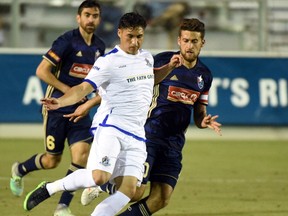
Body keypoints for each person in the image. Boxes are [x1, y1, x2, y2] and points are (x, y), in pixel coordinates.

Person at [23, 12, 182, 216]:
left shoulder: (146, 57)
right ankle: (50, 188)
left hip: (137, 134)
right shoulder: (108, 62)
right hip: (112, 127)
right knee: (99, 177)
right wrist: (60, 101)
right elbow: (83, 88)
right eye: (130, 36)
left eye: (139, 36)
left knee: (130, 190)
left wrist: (169, 67)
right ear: (120, 33)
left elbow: (150, 78)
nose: (135, 42)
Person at [81, 18, 222, 215]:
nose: (190, 46)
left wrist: (204, 121)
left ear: (202, 43)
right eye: (186, 40)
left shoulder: (204, 75)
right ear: (179, 41)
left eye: (195, 41)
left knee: (162, 198)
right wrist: (89, 102)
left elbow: (199, 114)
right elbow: (125, 84)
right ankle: (99, 184)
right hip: (150, 136)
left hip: (174, 143)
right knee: (136, 192)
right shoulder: (162, 61)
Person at [10, 1, 105, 215]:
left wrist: (85, 97)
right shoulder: (66, 42)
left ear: (99, 19)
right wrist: (69, 92)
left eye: (95, 15)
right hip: (56, 110)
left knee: (81, 156)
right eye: (87, 15)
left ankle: (62, 206)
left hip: (80, 112)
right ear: (78, 18)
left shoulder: (100, 47)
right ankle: (20, 169)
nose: (91, 19)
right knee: (52, 161)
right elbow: (42, 71)